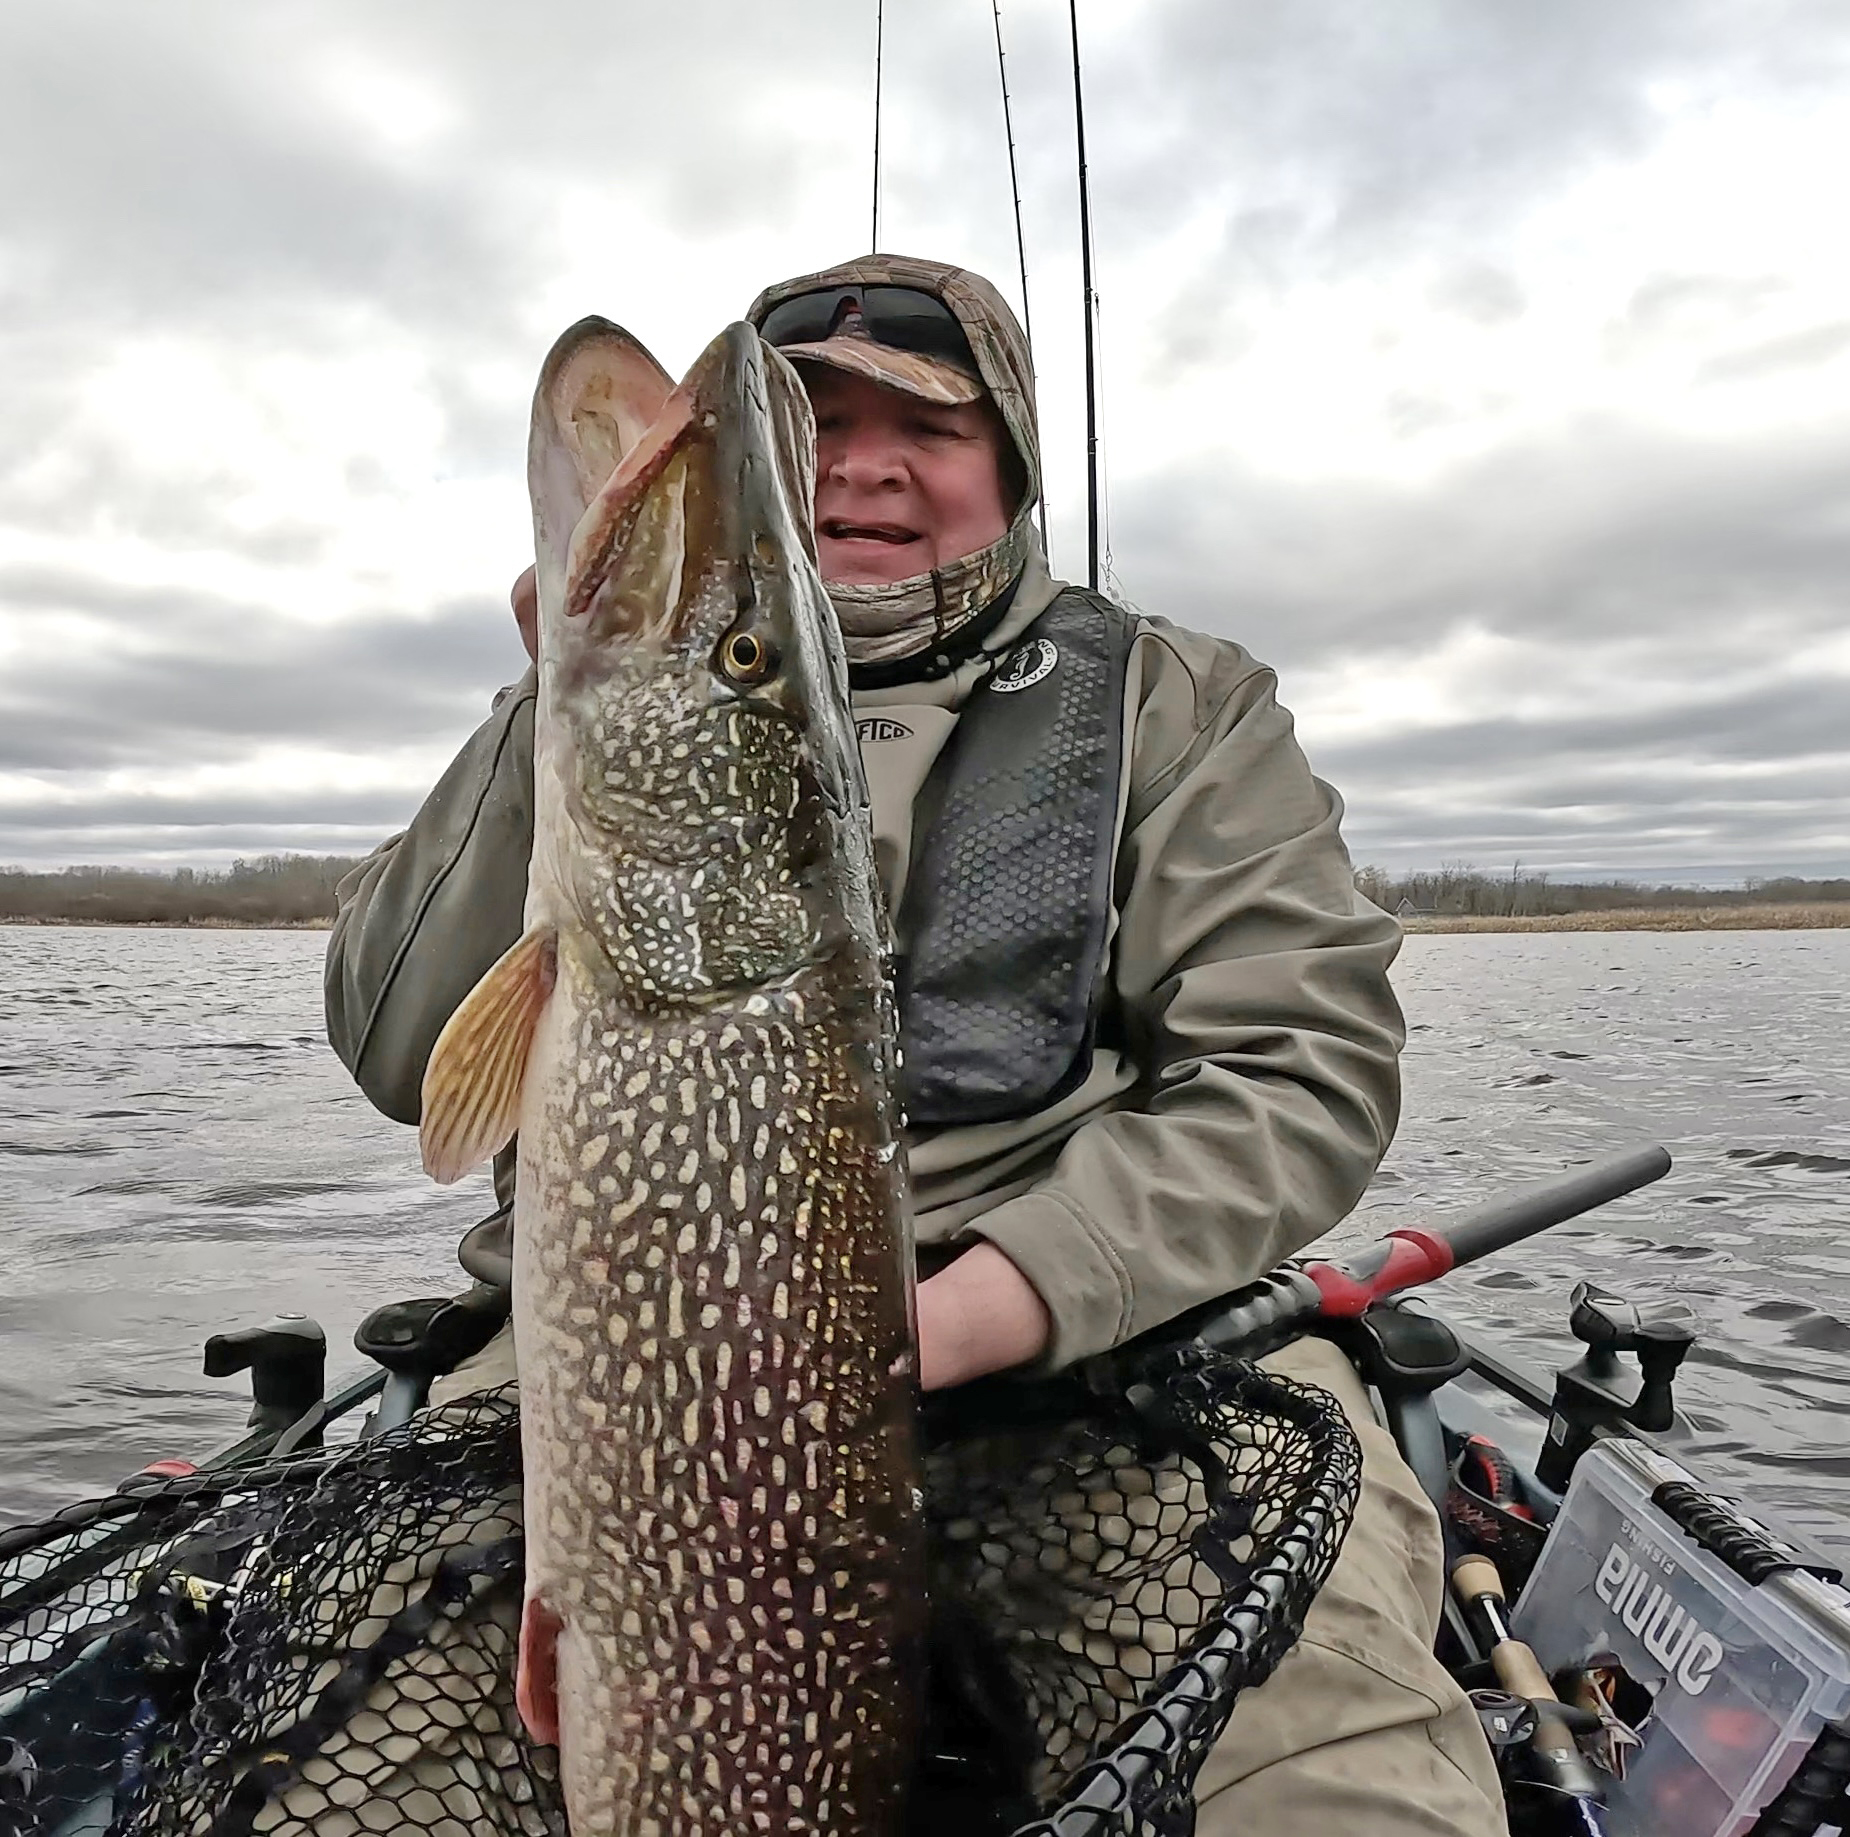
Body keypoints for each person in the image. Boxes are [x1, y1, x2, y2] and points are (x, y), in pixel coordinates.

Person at [325, 255, 1508, 1836]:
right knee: (360, 1746)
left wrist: (1001, 1293)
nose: (860, 463)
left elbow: (1299, 1069)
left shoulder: (1179, 703)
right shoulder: (602, 724)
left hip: (1116, 1356)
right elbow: (403, 1050)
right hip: (641, 1371)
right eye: (816, 421)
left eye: (927, 427)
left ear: (1008, 473)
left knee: (1333, 1763)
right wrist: (549, 707)